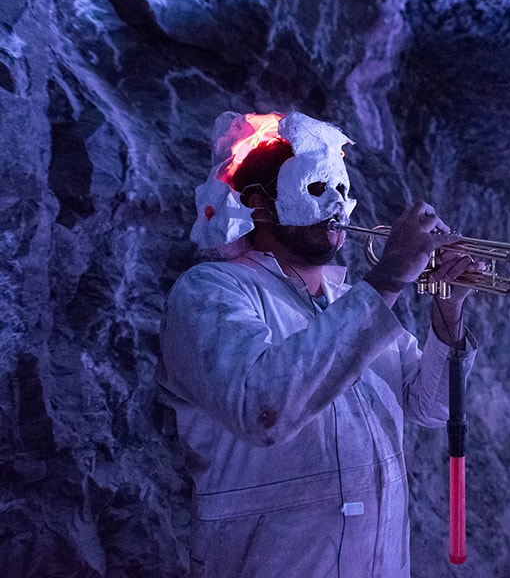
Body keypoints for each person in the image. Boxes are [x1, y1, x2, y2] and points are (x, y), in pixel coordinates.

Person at [155, 111, 479, 577]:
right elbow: (263, 409)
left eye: (343, 191)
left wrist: (450, 315)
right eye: (315, 189)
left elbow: (431, 409)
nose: (337, 205)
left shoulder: (351, 303)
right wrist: (388, 278)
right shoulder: (208, 292)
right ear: (258, 205)